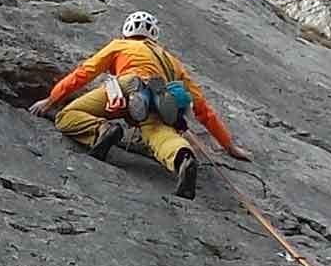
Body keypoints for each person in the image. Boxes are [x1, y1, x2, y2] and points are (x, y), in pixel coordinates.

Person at [29, 11, 246, 198]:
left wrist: (51, 100)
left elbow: (84, 73)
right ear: (155, 36)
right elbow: (201, 107)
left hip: (126, 86)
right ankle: (182, 157)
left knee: (68, 115)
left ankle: (103, 130)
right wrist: (228, 145)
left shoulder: (120, 45)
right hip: (160, 97)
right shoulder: (172, 60)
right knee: (158, 133)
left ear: (126, 31)